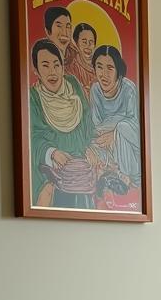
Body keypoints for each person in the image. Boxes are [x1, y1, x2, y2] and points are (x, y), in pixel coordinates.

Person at [27, 37, 95, 209]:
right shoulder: (33, 97)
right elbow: (32, 138)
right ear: (35, 69)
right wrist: (52, 153)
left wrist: (90, 148)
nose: (52, 72)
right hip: (52, 170)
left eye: (57, 65)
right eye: (45, 65)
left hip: (81, 170)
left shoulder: (73, 85)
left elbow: (88, 123)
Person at [88, 44, 141, 192]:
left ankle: (129, 177)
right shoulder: (95, 90)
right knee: (89, 149)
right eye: (99, 67)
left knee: (123, 127)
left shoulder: (129, 89)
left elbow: (136, 127)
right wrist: (110, 133)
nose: (103, 74)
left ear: (118, 71)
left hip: (129, 142)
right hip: (104, 140)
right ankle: (110, 176)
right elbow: (96, 126)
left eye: (110, 68)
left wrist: (115, 133)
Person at [66, 21, 97, 98]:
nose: (88, 46)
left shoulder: (99, 66)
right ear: (77, 43)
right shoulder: (71, 68)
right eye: (84, 42)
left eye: (91, 42)